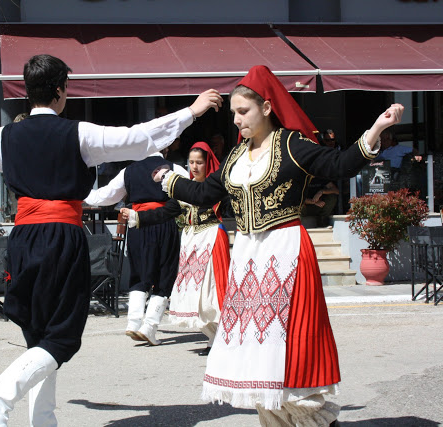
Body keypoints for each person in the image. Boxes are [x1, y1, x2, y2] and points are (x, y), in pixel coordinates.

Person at [0, 54, 222, 426]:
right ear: (61, 90)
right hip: (61, 237)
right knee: (63, 338)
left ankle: (42, 421)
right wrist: (191, 112)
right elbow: (138, 136)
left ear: (27, 92)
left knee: (40, 337)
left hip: (23, 238)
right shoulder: (78, 133)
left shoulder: (6, 137)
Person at [153, 65, 403, 426]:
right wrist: (170, 179)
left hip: (285, 253)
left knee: (287, 350)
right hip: (246, 259)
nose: (237, 121)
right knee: (254, 353)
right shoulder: (236, 158)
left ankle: (313, 419)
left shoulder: (292, 146)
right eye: (234, 113)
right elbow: (204, 194)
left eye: (244, 112)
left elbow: (340, 163)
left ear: (267, 108)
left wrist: (377, 128)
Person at [121, 141, 230, 356]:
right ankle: (211, 336)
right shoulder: (185, 190)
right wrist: (137, 216)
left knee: (211, 292)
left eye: (199, 162)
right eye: (191, 162)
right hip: (191, 242)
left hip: (211, 239)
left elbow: (239, 205)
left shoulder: (217, 189)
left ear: (207, 163)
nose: (194, 166)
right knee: (194, 292)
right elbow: (164, 212)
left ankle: (217, 337)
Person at [84, 152, 189, 346]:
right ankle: (149, 327)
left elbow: (105, 196)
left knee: (139, 274)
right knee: (164, 275)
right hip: (164, 223)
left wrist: (80, 192)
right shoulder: (175, 169)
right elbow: (190, 192)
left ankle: (133, 322)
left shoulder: (128, 171)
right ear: (164, 150)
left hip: (137, 223)